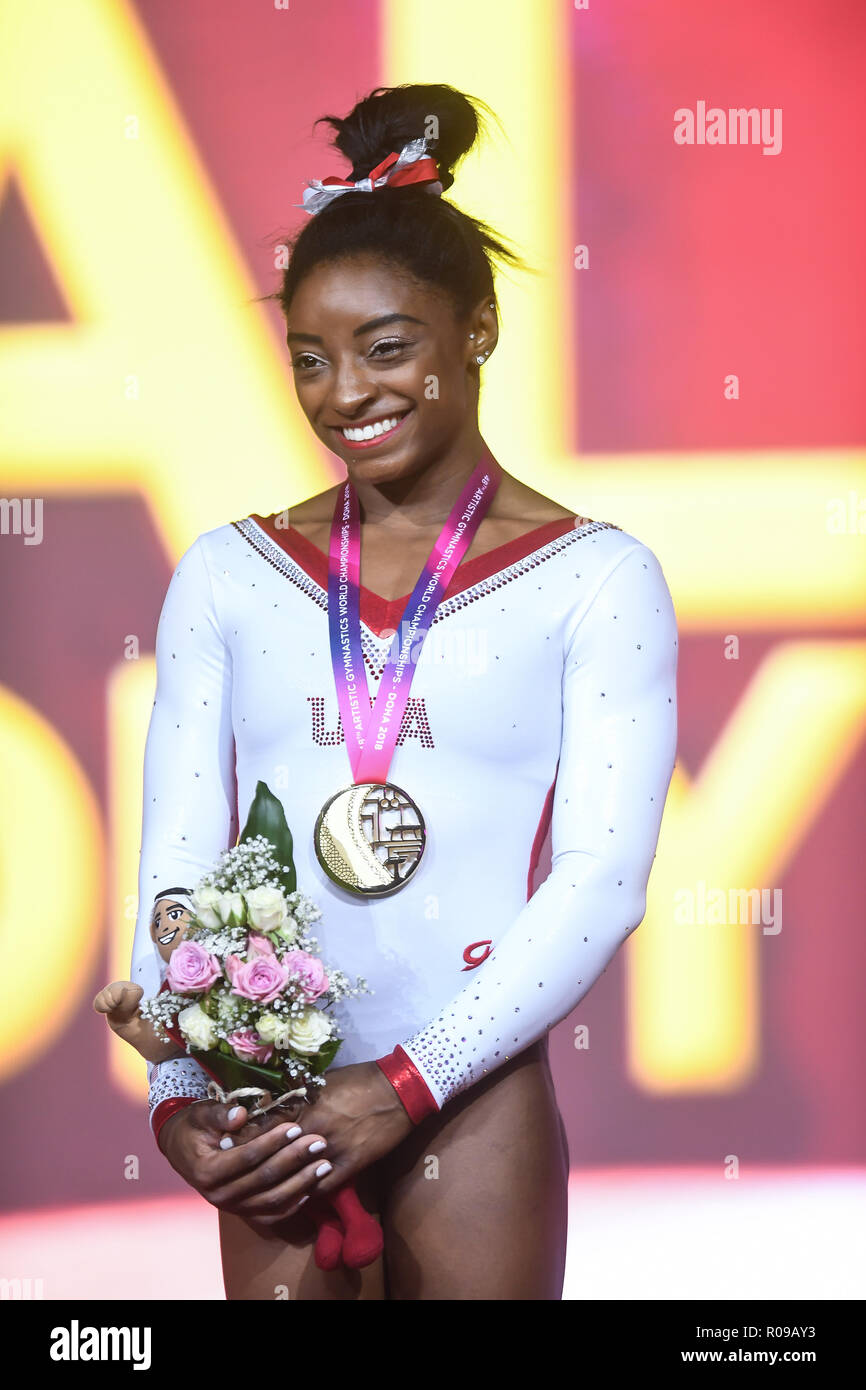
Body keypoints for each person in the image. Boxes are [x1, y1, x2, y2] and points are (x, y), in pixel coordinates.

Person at [127, 83, 678, 1301]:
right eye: (310, 360)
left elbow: (601, 881)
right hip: (264, 1105)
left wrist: (402, 1086)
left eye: (388, 348)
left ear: (475, 330)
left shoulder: (593, 580)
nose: (347, 394)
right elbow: (178, 863)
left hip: (466, 1105)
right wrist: (176, 1094)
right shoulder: (228, 573)